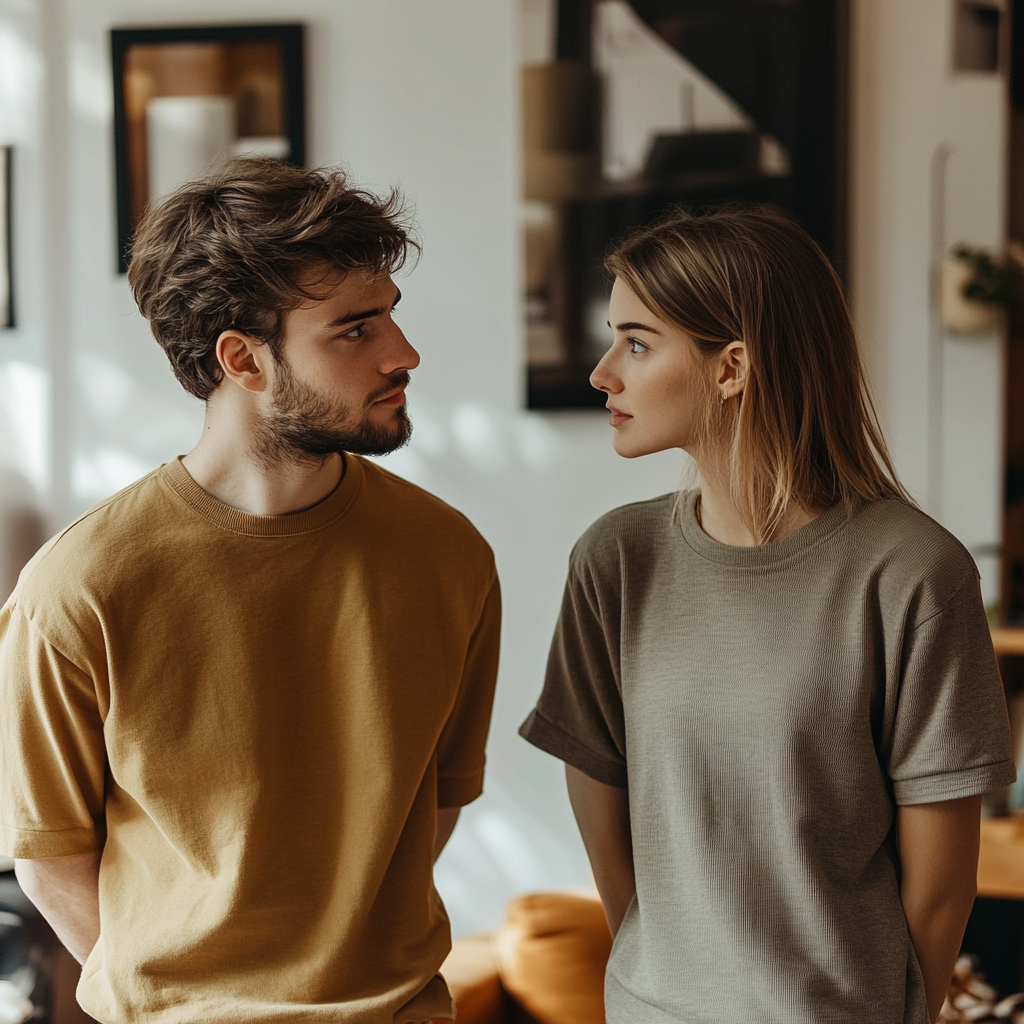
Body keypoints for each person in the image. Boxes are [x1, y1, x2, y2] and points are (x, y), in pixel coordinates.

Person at [0, 158, 501, 1024]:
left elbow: (435, 804)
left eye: (392, 317)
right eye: (354, 330)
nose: (403, 353)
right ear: (243, 359)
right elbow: (48, 857)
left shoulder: (448, 556)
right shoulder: (79, 587)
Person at [520, 207, 1016, 1024]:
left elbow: (940, 886)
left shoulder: (913, 572)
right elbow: (601, 793)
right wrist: (655, 980)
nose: (604, 372)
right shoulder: (615, 560)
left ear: (733, 367)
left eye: (637, 343)